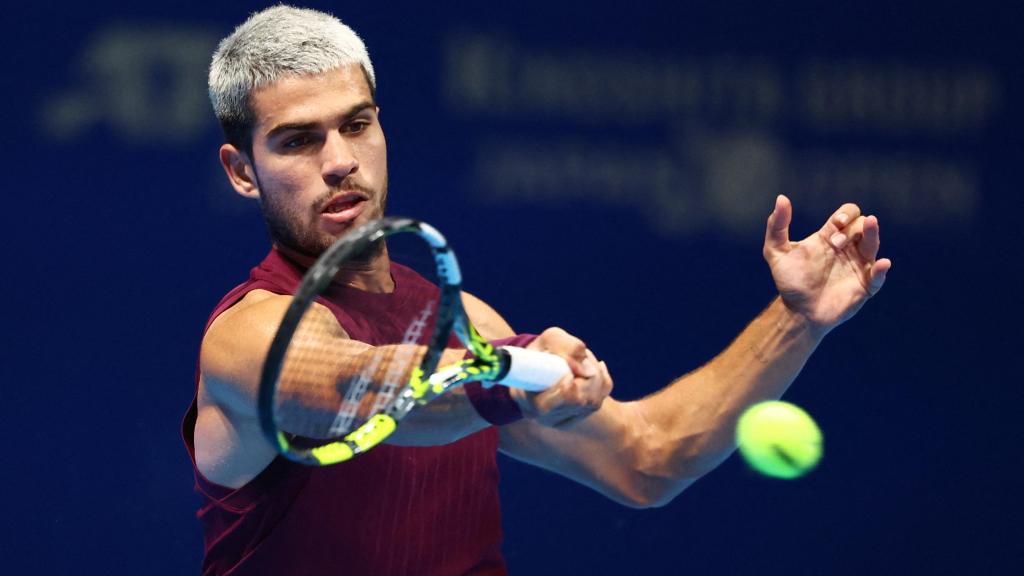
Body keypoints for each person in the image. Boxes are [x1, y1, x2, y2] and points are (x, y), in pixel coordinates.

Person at [182, 5, 891, 575]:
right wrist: (510, 381)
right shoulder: (246, 337)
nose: (340, 160)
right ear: (242, 171)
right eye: (298, 141)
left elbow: (648, 458)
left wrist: (797, 319)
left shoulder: (465, 321)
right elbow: (355, 387)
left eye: (357, 124)